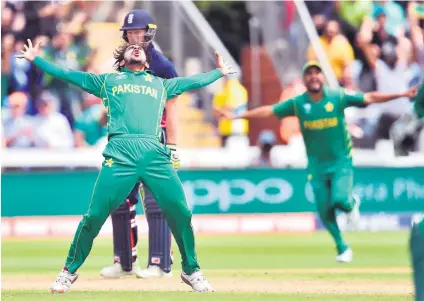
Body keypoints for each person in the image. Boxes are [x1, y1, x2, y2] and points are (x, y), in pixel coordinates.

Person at [16, 39, 235, 293]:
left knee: (181, 212)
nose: (137, 47)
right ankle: (68, 272)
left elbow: (193, 81)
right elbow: (68, 75)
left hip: (154, 154)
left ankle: (191, 270)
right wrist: (36, 60)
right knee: (95, 215)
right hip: (119, 154)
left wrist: (219, 72)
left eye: (141, 49)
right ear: (122, 62)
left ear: (147, 61)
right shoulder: (108, 82)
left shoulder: (161, 84)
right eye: (132, 48)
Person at [217, 60, 417, 263]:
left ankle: (351, 204)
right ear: (305, 79)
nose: (314, 77)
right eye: (309, 74)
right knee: (324, 209)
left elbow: (369, 97)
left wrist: (401, 95)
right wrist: (237, 116)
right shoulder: (298, 103)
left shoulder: (337, 96)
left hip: (340, 161)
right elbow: (269, 110)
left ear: (322, 77)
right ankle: (342, 247)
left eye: (317, 73)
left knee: (339, 200)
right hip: (316, 165)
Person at [100, 9, 180, 280]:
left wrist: (174, 146)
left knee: (157, 200)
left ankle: (160, 263)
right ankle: (124, 262)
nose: (134, 37)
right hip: (126, 141)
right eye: (130, 32)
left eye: (139, 32)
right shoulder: (123, 62)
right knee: (121, 199)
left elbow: (174, 106)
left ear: (149, 33)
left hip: (155, 139)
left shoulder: (163, 67)